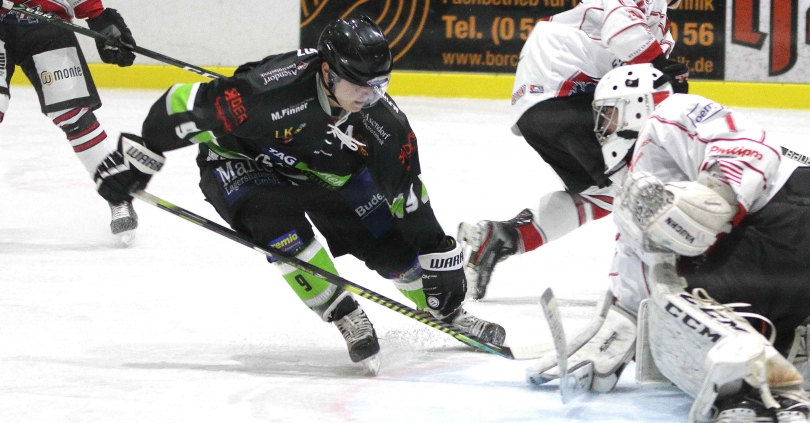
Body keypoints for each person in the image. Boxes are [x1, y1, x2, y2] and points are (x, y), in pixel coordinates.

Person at [90, 17, 505, 371]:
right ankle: (343, 313)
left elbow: (407, 194)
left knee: (387, 244)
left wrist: (439, 256)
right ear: (328, 71)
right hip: (240, 161)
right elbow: (180, 103)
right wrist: (139, 159)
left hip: (320, 171)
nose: (369, 96)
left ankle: (448, 314)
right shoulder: (270, 92)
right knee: (276, 223)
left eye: (379, 85)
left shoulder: (384, 123)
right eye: (359, 84)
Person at [526, 64, 810, 422]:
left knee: (675, 312)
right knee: (690, 306)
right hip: (807, 257)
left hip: (789, 227)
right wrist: (615, 331)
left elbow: (748, 145)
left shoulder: (668, 114)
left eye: (609, 115)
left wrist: (718, 193)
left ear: (639, 102)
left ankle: (755, 392)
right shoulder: (641, 180)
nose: (603, 129)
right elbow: (640, 255)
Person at [456, 0, 691, 300]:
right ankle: (669, 279)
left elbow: (645, 84)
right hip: (561, 92)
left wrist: (668, 83)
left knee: (606, 193)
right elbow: (621, 30)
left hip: (552, 106)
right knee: (641, 184)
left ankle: (504, 237)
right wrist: (661, 69)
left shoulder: (661, 30)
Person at [0, 0, 139, 240]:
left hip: (47, 27)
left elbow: (86, 5)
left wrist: (105, 25)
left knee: (74, 114)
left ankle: (118, 194)